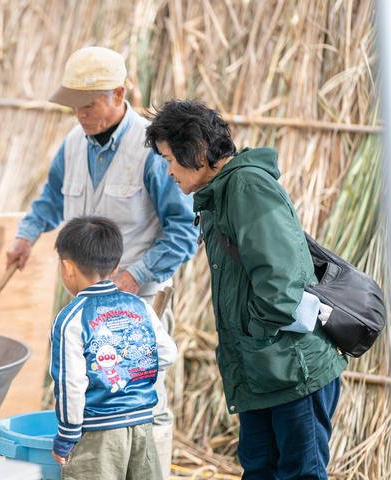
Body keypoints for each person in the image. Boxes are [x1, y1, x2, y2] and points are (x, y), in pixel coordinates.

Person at [6, 47, 197, 476]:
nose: (79, 114)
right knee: (87, 391)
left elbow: (185, 231)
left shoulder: (152, 150)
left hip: (138, 300)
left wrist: (135, 276)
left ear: (118, 94)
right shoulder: (73, 144)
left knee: (146, 398)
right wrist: (25, 236)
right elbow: (50, 200)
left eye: (88, 103)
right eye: (73, 104)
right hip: (84, 297)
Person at [144, 99, 347, 480]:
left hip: (291, 369)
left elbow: (281, 282)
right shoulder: (219, 194)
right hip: (261, 371)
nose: (168, 171)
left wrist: (254, 336)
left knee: (299, 474)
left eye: (171, 159)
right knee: (258, 471)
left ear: (199, 151)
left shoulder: (246, 187)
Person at [50, 215, 178, 480]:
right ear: (117, 264)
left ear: (67, 268)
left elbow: (70, 384)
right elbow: (167, 353)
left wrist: (66, 436)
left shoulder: (70, 319)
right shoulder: (140, 306)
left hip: (98, 434)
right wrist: (131, 367)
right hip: (142, 425)